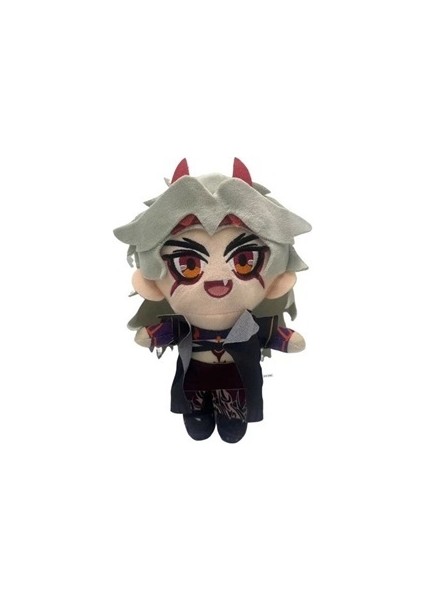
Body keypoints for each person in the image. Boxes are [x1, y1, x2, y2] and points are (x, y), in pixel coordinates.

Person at [114, 158, 311, 443]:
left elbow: (272, 335)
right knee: (195, 412)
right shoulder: (184, 326)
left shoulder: (249, 326)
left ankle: (232, 417)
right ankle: (198, 415)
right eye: (188, 265)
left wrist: (286, 338)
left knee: (234, 422)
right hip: (194, 382)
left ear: (278, 280)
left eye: (244, 262)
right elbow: (160, 334)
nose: (218, 281)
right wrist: (153, 335)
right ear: (152, 283)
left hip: (236, 386)